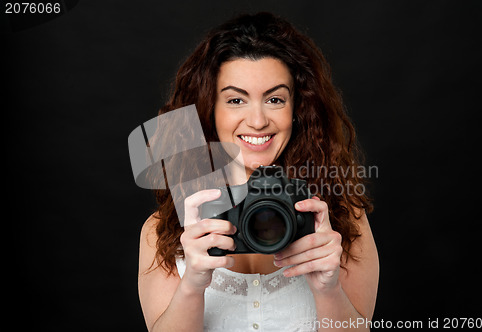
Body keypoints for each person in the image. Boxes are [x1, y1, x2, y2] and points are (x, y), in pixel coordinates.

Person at [138, 12, 379, 332]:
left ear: (297, 111)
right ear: (209, 110)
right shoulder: (163, 232)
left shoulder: (343, 220)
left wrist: (328, 289)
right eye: (236, 100)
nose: (257, 121)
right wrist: (192, 286)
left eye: (275, 99)